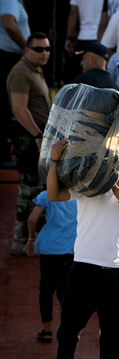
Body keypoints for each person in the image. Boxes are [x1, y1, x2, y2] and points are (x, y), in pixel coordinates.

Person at [49, 139, 119, 359]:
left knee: (113, 339)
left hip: (117, 274)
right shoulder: (89, 187)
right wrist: (54, 161)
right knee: (68, 333)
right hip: (84, 270)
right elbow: (54, 194)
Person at [7, 32, 50, 256]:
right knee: (29, 191)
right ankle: (20, 241)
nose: (44, 53)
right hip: (28, 140)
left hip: (36, 139)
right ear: (27, 50)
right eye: (38, 49)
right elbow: (19, 109)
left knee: (39, 189)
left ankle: (30, 241)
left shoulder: (35, 70)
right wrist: (37, 135)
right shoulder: (22, 72)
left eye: (47, 49)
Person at [0, 0, 42, 166]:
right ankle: (3, 154)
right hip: (6, 56)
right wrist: (28, 48)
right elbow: (9, 24)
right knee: (7, 105)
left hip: (10, 55)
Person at [26, 190, 77, 343]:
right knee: (66, 291)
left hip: (48, 249)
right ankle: (66, 329)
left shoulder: (46, 195)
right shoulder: (79, 196)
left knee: (46, 290)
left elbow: (32, 219)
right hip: (71, 250)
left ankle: (47, 330)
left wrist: (31, 239)